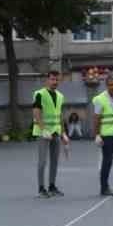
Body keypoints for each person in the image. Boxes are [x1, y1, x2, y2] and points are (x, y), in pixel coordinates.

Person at [32, 70, 69, 198]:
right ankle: (41, 189)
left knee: (55, 161)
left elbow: (60, 115)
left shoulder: (60, 96)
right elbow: (36, 113)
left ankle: (52, 186)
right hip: (43, 133)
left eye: (57, 79)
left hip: (56, 132)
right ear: (47, 80)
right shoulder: (39, 94)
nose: (55, 82)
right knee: (42, 161)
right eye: (52, 79)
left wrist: (63, 134)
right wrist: (43, 130)